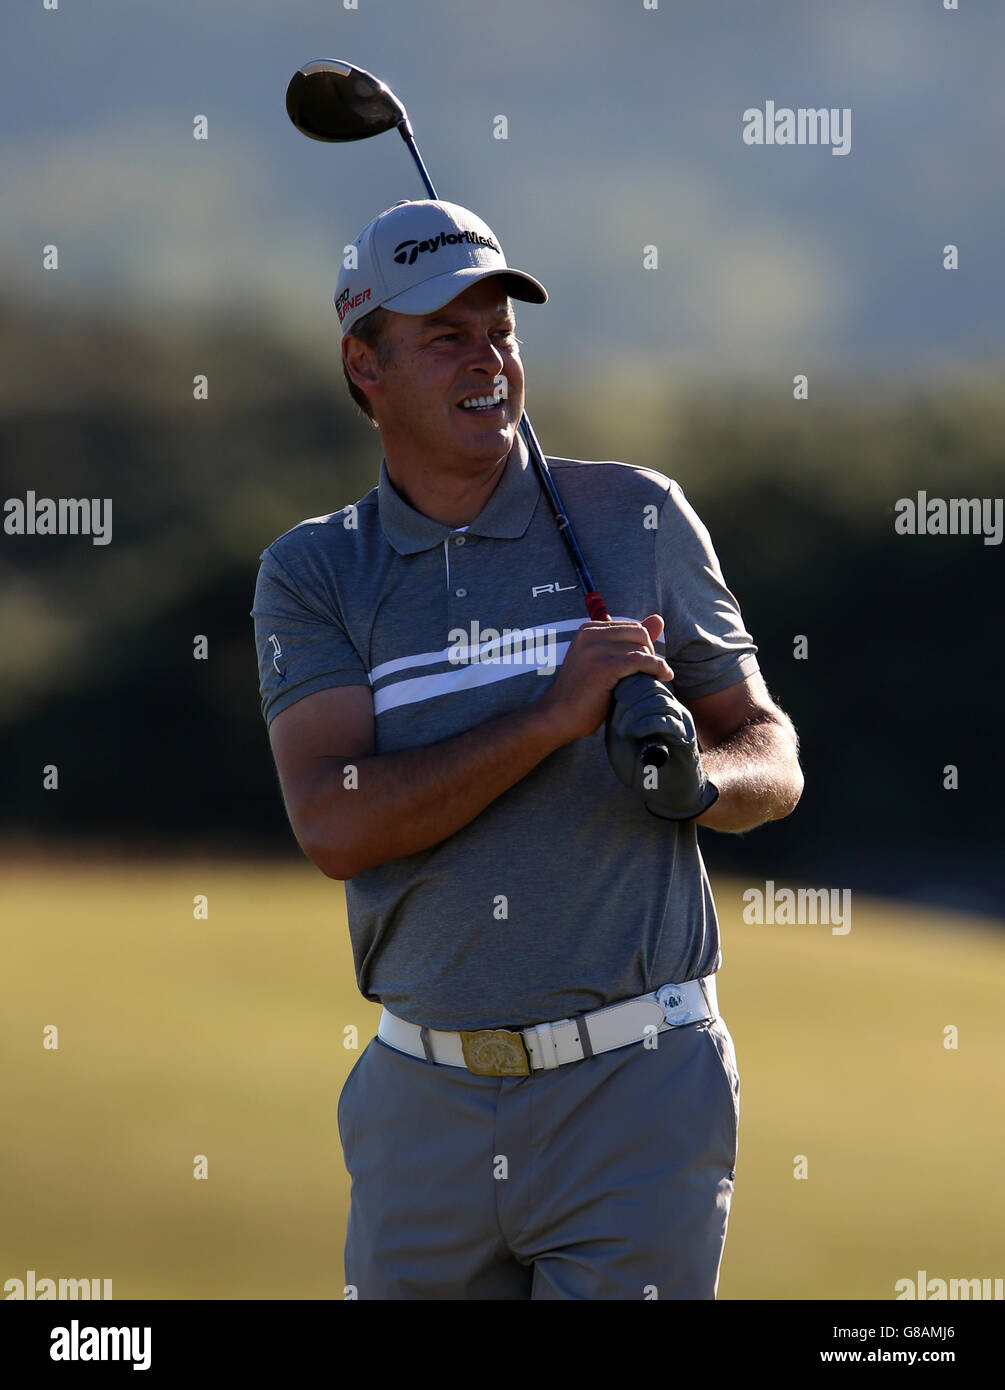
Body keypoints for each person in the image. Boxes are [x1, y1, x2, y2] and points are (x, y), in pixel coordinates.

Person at [251, 199, 803, 1300]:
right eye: (446, 335)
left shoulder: (636, 515)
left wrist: (703, 780)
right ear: (365, 365)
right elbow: (337, 821)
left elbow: (771, 752)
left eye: (500, 330)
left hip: (638, 1087)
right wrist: (551, 719)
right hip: (423, 1104)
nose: (489, 360)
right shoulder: (316, 573)